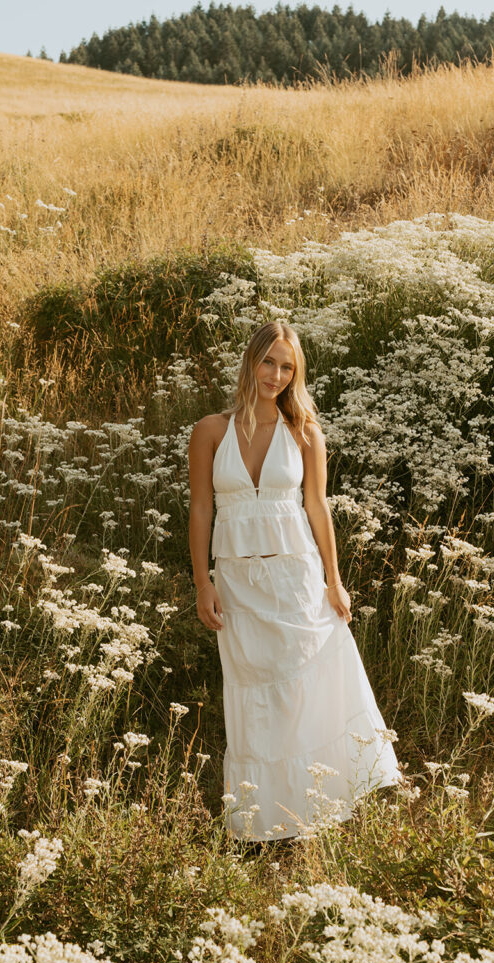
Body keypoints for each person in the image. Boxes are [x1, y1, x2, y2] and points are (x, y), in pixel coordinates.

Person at [188, 321, 402, 841]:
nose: (277, 375)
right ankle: (264, 819)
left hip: (297, 576)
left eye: (287, 367)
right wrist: (202, 582)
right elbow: (199, 509)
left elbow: (317, 507)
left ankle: (317, 808)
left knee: (305, 684)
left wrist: (334, 581)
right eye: (269, 362)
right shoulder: (210, 431)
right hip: (237, 583)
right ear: (251, 361)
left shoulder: (305, 431)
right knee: (254, 691)